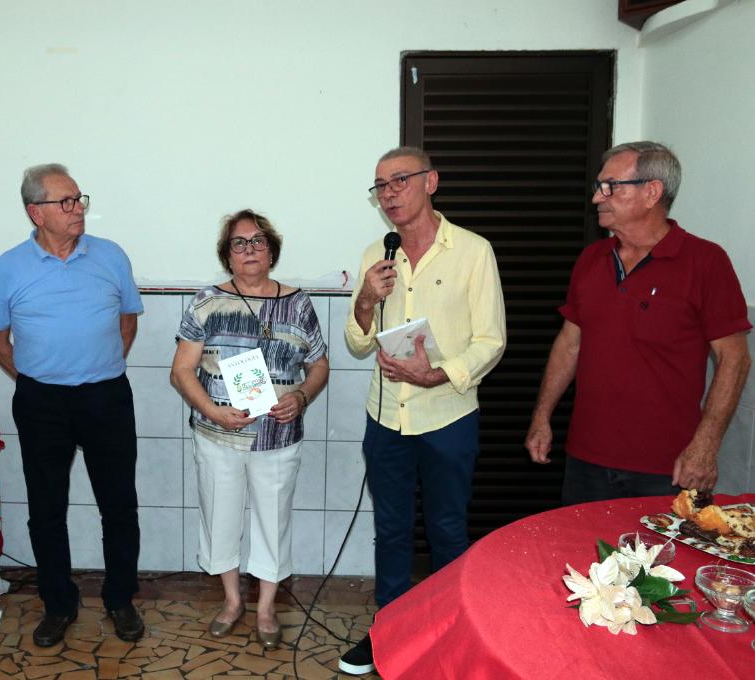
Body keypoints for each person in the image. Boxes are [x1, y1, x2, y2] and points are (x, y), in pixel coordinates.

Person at [339, 147, 506, 675]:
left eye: (400, 181)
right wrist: (366, 300)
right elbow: (357, 341)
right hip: (387, 416)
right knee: (390, 530)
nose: (389, 194)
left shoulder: (473, 251)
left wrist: (437, 374)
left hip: (448, 416)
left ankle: (451, 634)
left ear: (431, 181)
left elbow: (491, 340)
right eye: (380, 186)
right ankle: (388, 633)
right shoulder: (377, 253)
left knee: (447, 530)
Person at [525, 141, 751, 504]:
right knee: (581, 543)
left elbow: (735, 359)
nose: (597, 198)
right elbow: (569, 345)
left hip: (668, 467)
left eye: (610, 186)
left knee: (663, 546)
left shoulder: (706, 261)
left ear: (652, 192)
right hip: (586, 461)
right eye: (599, 186)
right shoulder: (591, 259)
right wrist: (542, 416)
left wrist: (706, 445)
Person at [0, 164, 145, 646]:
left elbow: (128, 320)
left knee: (119, 504)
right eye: (66, 202)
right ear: (36, 212)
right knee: (46, 508)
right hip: (42, 402)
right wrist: (33, 376)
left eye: (79, 199)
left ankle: (120, 599)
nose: (78, 209)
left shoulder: (111, 255)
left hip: (106, 395)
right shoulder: (8, 267)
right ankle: (58, 604)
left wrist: (100, 363)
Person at [170, 209, 329, 649]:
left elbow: (319, 365)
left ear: (272, 251)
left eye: (258, 241)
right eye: (239, 243)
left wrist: (302, 397)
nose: (249, 249)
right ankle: (232, 600)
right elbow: (181, 371)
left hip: (277, 437)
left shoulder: (298, 303)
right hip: (217, 434)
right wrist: (213, 411)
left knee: (273, 520)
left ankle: (265, 608)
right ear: (228, 255)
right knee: (219, 516)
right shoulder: (206, 301)